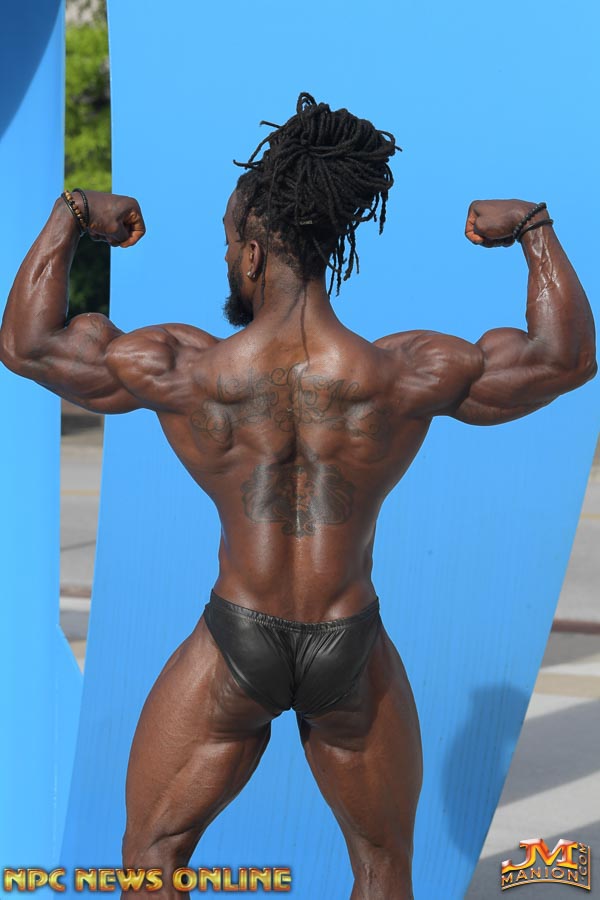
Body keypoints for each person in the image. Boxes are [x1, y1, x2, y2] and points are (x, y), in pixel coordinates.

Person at [0, 93, 596, 899]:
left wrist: (73, 214)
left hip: (237, 635)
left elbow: (28, 344)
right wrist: (533, 228)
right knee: (382, 867)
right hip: (348, 641)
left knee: (151, 855)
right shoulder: (404, 373)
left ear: (252, 256)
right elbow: (564, 358)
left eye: (226, 245)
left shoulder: (186, 369)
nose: (225, 261)